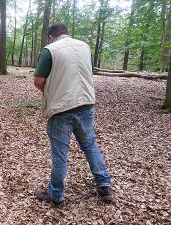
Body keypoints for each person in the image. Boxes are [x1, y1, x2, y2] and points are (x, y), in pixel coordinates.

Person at [33, 23, 112, 205]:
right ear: (66, 33)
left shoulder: (50, 50)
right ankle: (104, 185)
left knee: (60, 153)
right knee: (90, 145)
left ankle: (56, 194)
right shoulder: (84, 46)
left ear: (51, 36)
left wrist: (54, 91)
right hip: (86, 104)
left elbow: (38, 81)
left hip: (62, 109)